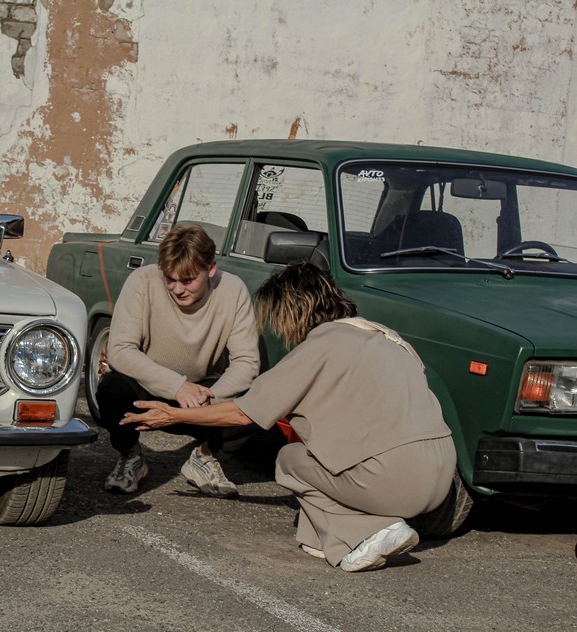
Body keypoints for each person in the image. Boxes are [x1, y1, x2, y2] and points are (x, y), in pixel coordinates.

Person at [121, 262, 456, 572]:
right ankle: (331, 540)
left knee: (290, 459)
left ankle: (371, 531)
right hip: (443, 476)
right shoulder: (387, 336)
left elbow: (244, 412)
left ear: (292, 311)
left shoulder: (322, 345)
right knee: (317, 475)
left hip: (395, 480)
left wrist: (173, 414)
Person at [97, 223, 261, 498]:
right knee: (111, 388)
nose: (177, 289)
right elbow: (121, 350)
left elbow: (247, 361)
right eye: (170, 279)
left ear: (211, 269)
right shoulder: (142, 281)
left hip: (202, 394)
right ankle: (131, 456)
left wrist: (211, 395)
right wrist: (177, 386)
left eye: (188, 280)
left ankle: (203, 457)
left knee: (257, 400)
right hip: (148, 388)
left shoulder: (233, 290)